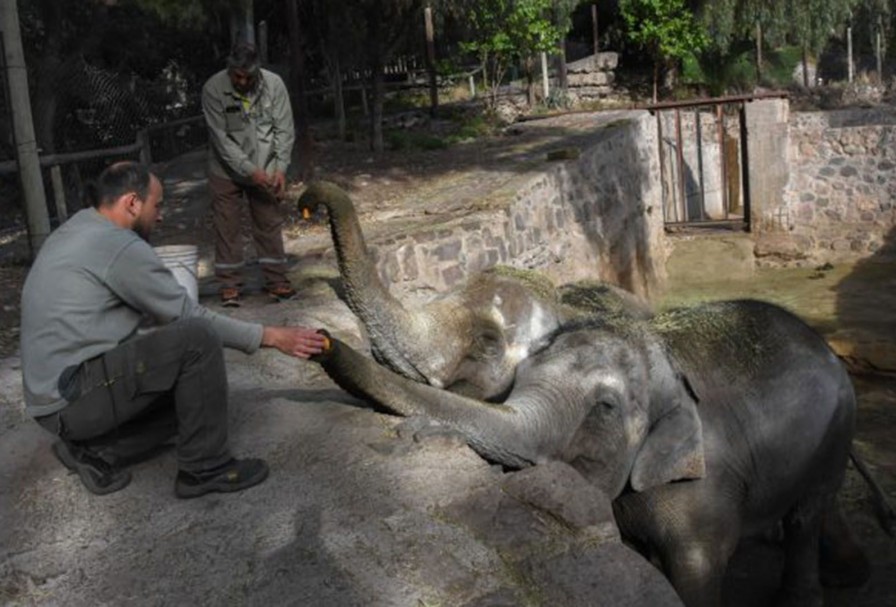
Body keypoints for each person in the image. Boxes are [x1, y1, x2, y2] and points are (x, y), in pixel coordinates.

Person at [20, 161, 328, 498]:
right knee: (197, 338)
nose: (161, 215)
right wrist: (272, 336)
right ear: (132, 203)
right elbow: (188, 318)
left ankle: (95, 449)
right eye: (158, 204)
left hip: (55, 402)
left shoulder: (79, 226)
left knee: (196, 404)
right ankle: (205, 468)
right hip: (72, 397)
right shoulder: (119, 245)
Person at [202, 41, 298, 307]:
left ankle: (276, 280)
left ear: (258, 71)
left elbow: (284, 130)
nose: (242, 81)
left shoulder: (274, 85)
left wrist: (280, 168)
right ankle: (230, 285)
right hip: (225, 169)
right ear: (229, 69)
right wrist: (248, 170)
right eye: (237, 76)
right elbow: (221, 140)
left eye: (248, 77)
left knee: (269, 223)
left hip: (266, 167)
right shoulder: (213, 89)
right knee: (227, 226)